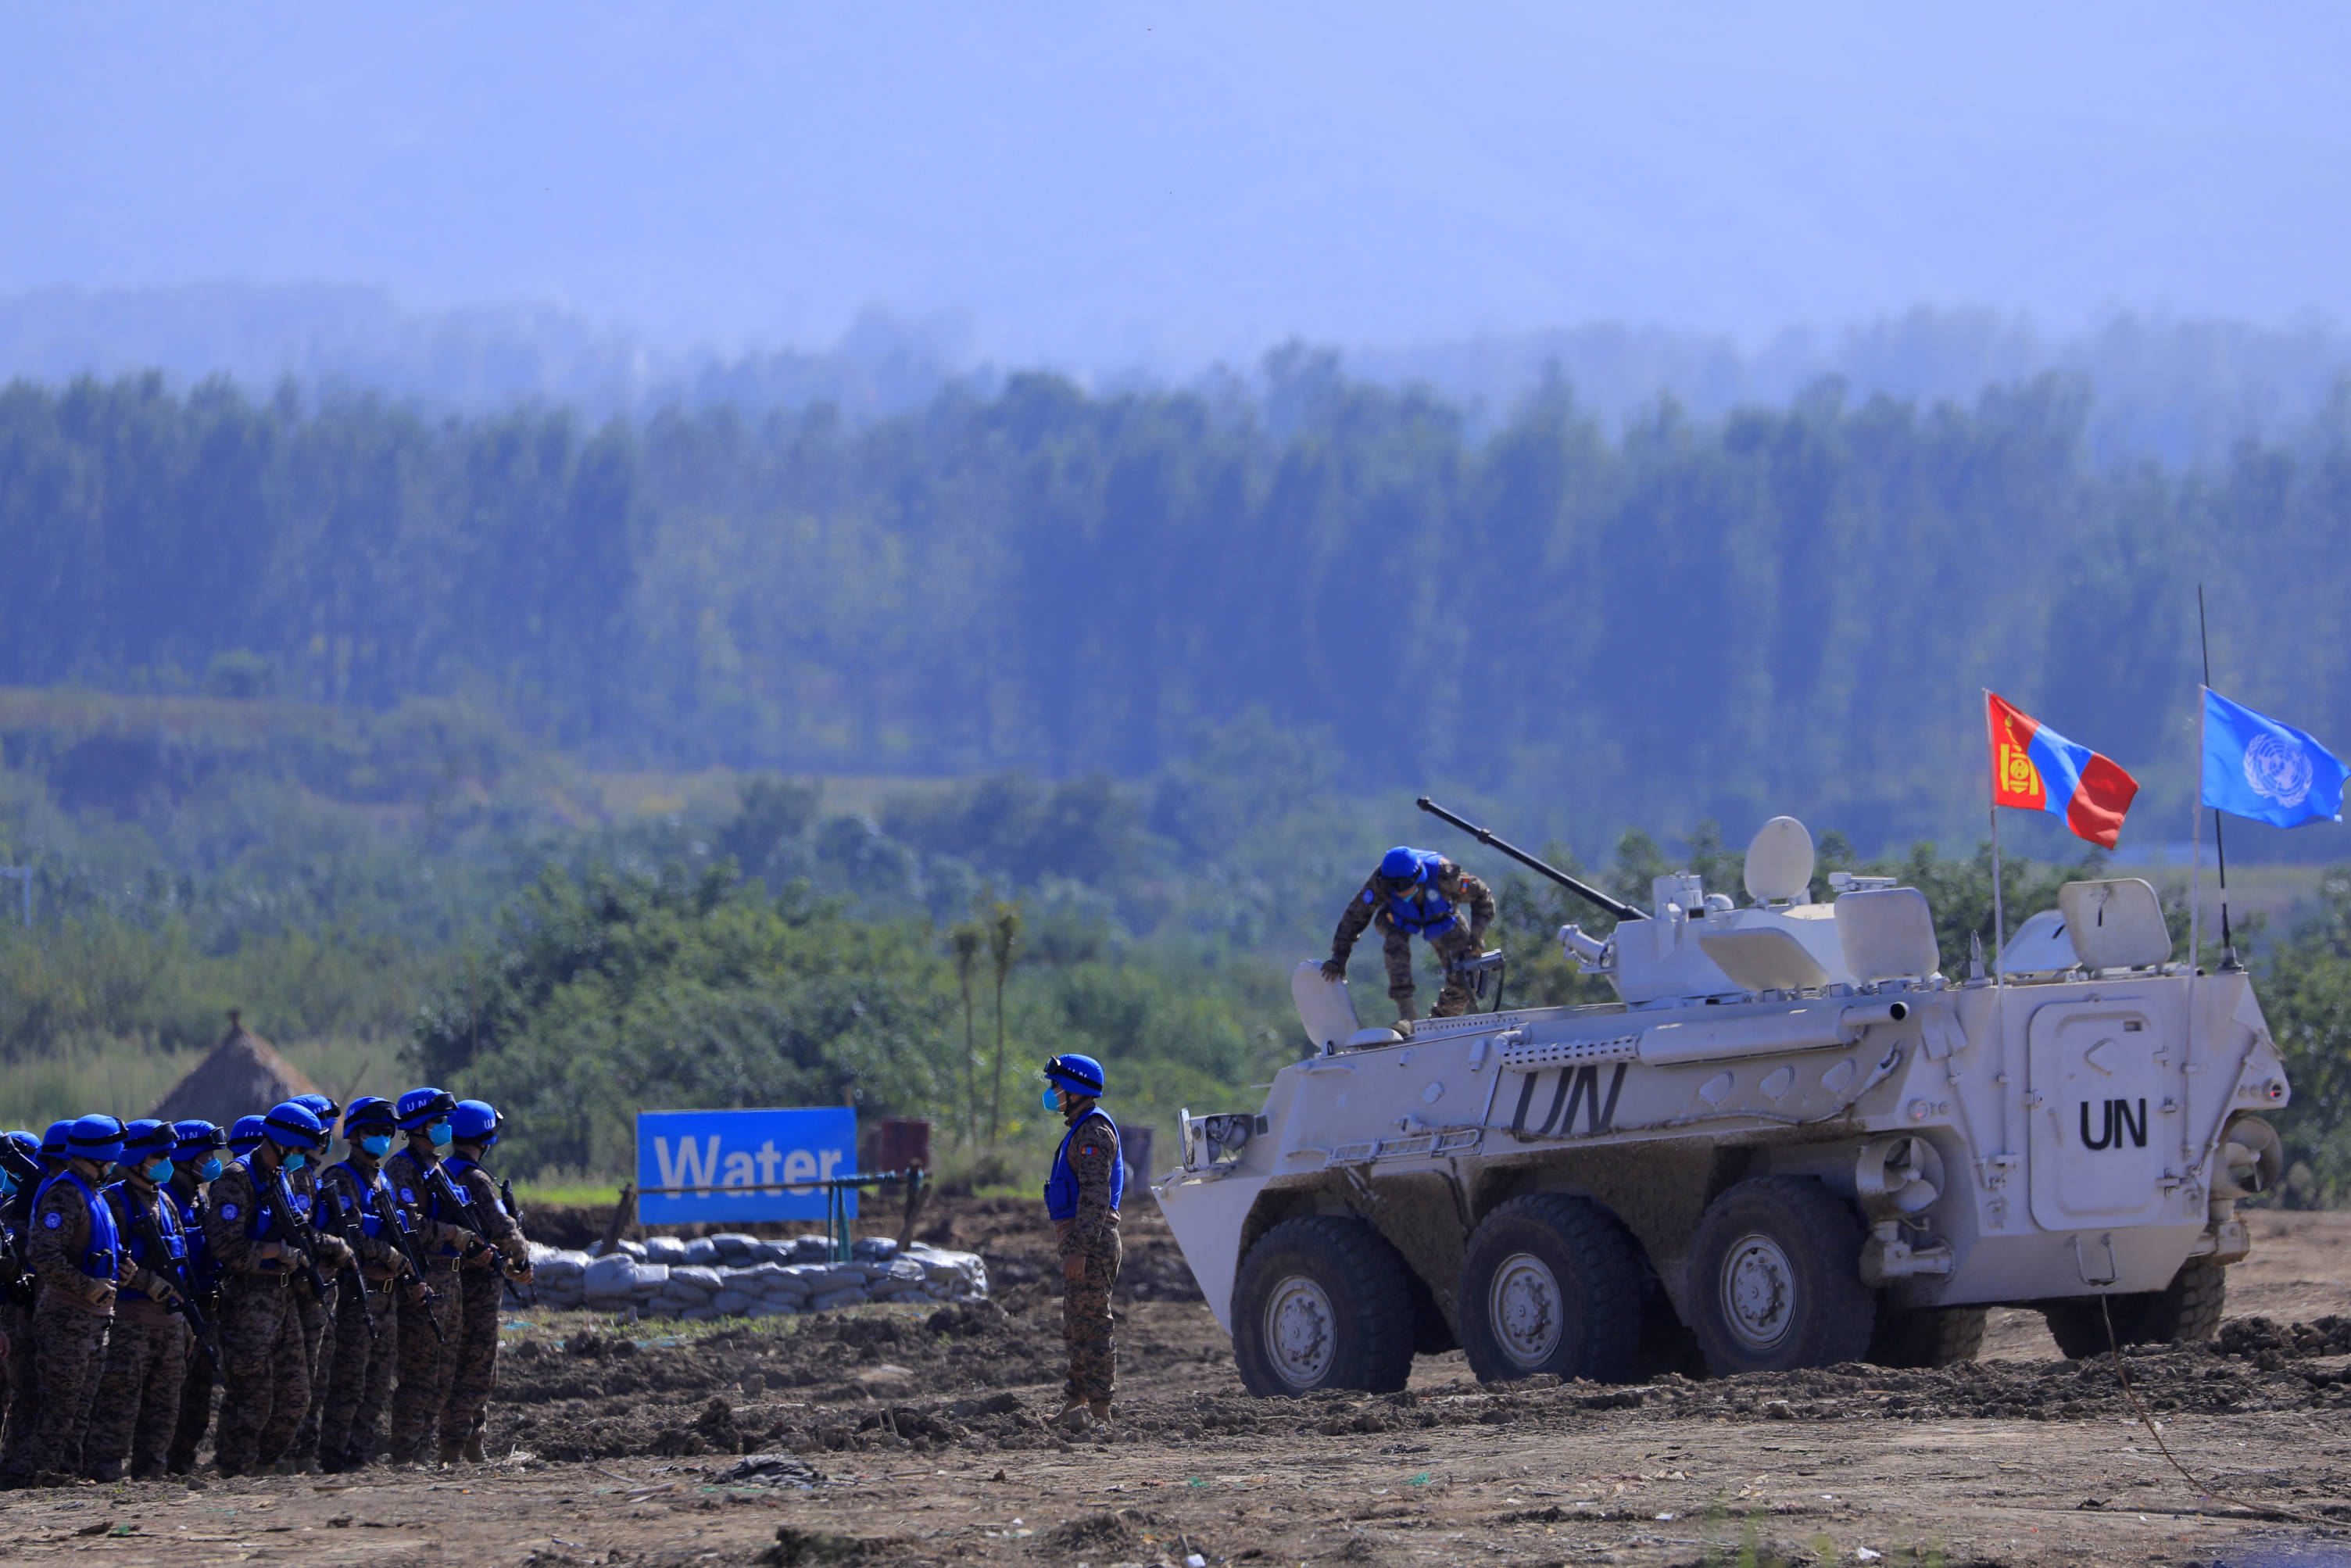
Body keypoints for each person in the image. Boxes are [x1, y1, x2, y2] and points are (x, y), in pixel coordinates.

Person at [203, 1100, 349, 1477]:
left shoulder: (279, 1177)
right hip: (249, 1299)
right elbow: (224, 1246)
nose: (303, 1158)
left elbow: (299, 1227)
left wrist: (322, 1249)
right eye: (299, 1150)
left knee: (297, 1394)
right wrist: (273, 1251)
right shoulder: (237, 1178)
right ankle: (234, 1469)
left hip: (283, 1298)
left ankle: (266, 1464)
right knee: (251, 1394)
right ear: (281, 1143)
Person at [2, 1115, 131, 1486]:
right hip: (67, 1316)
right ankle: (45, 1476)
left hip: (93, 1316)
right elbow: (44, 1255)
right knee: (59, 1406)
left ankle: (67, 1473)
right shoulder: (66, 1192)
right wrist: (85, 1286)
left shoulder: (93, 1193)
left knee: (80, 1405)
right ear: (106, 1152)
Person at [84, 1121, 193, 1480]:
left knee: (164, 1410)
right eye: (158, 1156)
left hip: (170, 1323)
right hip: (130, 1322)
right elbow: (108, 1260)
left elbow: (182, 1262)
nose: (166, 1163)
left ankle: (151, 1478)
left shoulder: (165, 1200)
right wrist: (147, 1282)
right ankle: (105, 1477)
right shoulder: (113, 1200)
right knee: (118, 1407)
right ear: (135, 1159)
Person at [315, 1097, 415, 1472]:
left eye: (389, 1132)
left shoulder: (382, 1178)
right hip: (359, 1295)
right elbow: (349, 1237)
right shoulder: (340, 1178)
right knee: (349, 1384)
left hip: (387, 1297)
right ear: (356, 1136)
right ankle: (335, 1458)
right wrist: (389, 1256)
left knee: (377, 1385)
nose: (384, 1138)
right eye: (376, 1132)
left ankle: (360, 1455)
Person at [381, 1088, 471, 1467]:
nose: (445, 1128)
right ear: (419, 1126)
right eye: (438, 1122)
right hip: (425, 1276)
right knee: (419, 1373)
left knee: (444, 1374)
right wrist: (451, 1234)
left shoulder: (436, 1166)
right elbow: (406, 1226)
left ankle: (424, 1449)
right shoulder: (402, 1168)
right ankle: (406, 1454)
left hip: (450, 1279)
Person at [440, 1100, 531, 1464]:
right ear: (486, 1135)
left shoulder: (443, 1171)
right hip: (476, 1291)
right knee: (478, 1373)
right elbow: (504, 1229)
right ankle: (456, 1449)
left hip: (455, 1283)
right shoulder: (475, 1179)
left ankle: (470, 1447)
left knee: (466, 1369)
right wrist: (521, 1256)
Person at [1040, 1053, 1122, 1429]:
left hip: (1092, 1243)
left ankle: (1101, 1408)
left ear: (1075, 1090)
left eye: (1057, 1086)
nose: (1053, 1092)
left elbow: (1095, 1197)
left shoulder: (1093, 1133)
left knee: (1092, 1326)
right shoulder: (1081, 1129)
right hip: (1082, 1242)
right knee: (1076, 1325)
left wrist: (1078, 1250)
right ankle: (1076, 1401)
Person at [1321, 846, 1495, 1021]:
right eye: (1392, 886)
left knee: (1466, 969)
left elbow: (1482, 895)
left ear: (1418, 877)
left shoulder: (1446, 876)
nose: (1398, 890)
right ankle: (1407, 1015)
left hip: (1441, 916)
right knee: (1395, 945)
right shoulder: (1380, 880)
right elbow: (1355, 915)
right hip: (1397, 916)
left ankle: (1442, 1019)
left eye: (1403, 884)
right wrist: (1339, 957)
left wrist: (1477, 937)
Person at [0, 1122, 75, 1483]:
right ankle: (19, 1470)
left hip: (38, 1307)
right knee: (28, 1394)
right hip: (23, 1310)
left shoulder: (51, 1192)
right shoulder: (35, 1198)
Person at [162, 1121, 227, 1476]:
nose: (214, 1162)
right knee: (172, 1395)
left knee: (199, 1398)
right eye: (207, 1155)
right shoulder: (167, 1200)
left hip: (204, 1309)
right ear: (186, 1157)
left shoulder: (198, 1197)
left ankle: (181, 1463)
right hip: (178, 1310)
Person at [284, 1092, 342, 1471]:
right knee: (301, 1377)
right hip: (303, 1289)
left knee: (314, 1378)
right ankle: (293, 1453)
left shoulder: (307, 1174)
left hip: (318, 1284)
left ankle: (302, 1451)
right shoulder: (298, 1176)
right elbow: (301, 1233)